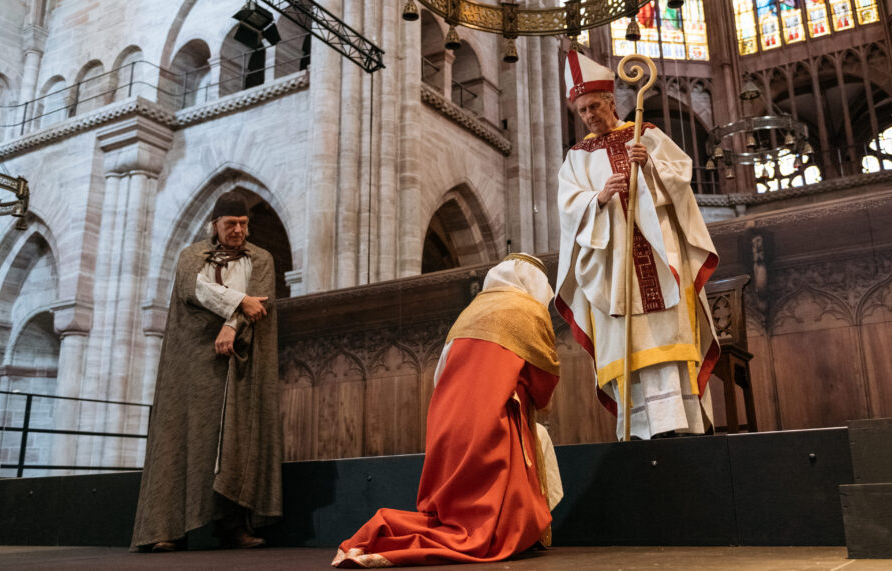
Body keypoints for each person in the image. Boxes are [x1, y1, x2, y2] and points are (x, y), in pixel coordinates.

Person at [333, 253, 562, 568]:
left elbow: (442, 373)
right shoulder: (528, 311)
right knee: (485, 529)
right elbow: (544, 380)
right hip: (492, 423)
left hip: (446, 423)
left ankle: (371, 539)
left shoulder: (470, 312)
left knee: (453, 516)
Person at [555, 50, 720, 441]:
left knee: (668, 341)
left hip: (660, 258)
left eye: (594, 106)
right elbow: (567, 207)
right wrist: (596, 198)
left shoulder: (647, 136)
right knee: (628, 350)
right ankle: (641, 431)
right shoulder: (576, 158)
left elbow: (681, 181)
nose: (589, 115)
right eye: (581, 111)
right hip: (613, 270)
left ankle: (684, 425)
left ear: (611, 102)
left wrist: (649, 166)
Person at [131, 191, 283, 551]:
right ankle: (167, 528)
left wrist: (232, 324)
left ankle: (232, 526)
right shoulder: (191, 256)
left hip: (239, 360)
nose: (238, 231)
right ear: (214, 224)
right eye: (231, 224)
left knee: (234, 441)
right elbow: (191, 289)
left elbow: (260, 302)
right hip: (192, 364)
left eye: (244, 224)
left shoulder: (260, 259)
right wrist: (238, 301)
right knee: (182, 438)